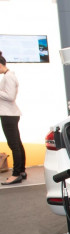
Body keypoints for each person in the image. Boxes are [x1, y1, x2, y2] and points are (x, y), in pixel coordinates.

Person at [0, 52, 26, 185]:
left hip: (8, 114)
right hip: (10, 114)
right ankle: (21, 171)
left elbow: (10, 96)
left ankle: (16, 174)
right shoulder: (9, 76)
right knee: (17, 143)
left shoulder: (8, 77)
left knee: (14, 145)